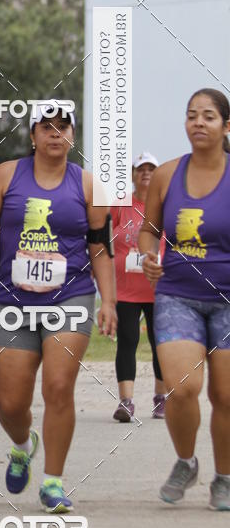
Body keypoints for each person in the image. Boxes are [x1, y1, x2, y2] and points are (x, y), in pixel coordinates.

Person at [0, 103, 117, 514]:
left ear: (73, 135)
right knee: (10, 405)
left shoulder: (89, 186)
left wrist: (109, 302)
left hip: (71, 295)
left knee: (58, 387)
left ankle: (52, 482)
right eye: (46, 127)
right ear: (32, 135)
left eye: (63, 126)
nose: (55, 133)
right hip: (12, 299)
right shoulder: (6, 175)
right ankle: (22, 445)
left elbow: (100, 248)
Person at [141, 88, 230, 511]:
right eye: (192, 115)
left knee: (226, 397)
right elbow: (148, 231)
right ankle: (186, 461)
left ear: (226, 126)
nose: (198, 122)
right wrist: (148, 255)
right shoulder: (166, 175)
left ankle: (224, 478)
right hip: (177, 294)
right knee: (182, 388)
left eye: (208, 116)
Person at [111, 152, 166, 422]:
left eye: (151, 169)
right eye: (140, 169)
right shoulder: (120, 205)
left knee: (161, 344)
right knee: (128, 340)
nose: (145, 173)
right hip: (125, 290)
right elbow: (102, 237)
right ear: (132, 175)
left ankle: (161, 399)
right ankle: (126, 402)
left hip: (158, 288)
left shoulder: (165, 206)